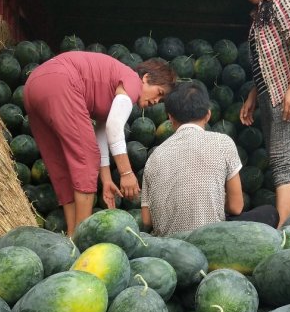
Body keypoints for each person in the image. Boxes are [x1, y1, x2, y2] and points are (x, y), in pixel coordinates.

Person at [24, 52, 177, 236]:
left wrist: (106, 180)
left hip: (33, 85)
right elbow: (114, 127)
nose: (156, 101)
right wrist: (126, 173)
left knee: (61, 164)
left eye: (160, 101)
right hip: (60, 81)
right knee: (87, 158)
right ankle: (80, 238)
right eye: (159, 93)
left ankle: (72, 235)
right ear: (146, 78)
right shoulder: (132, 80)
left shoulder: (114, 90)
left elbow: (102, 132)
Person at [141, 81, 279, 236]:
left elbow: (146, 220)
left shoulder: (154, 156)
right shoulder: (223, 143)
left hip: (168, 248)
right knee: (269, 212)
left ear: (170, 118)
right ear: (208, 115)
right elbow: (236, 207)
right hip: (210, 241)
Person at [234, 0, 290, 227]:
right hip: (273, 91)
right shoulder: (260, 12)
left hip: (287, 90)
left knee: (281, 165)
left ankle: (280, 234)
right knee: (282, 163)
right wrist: (253, 96)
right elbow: (268, 61)